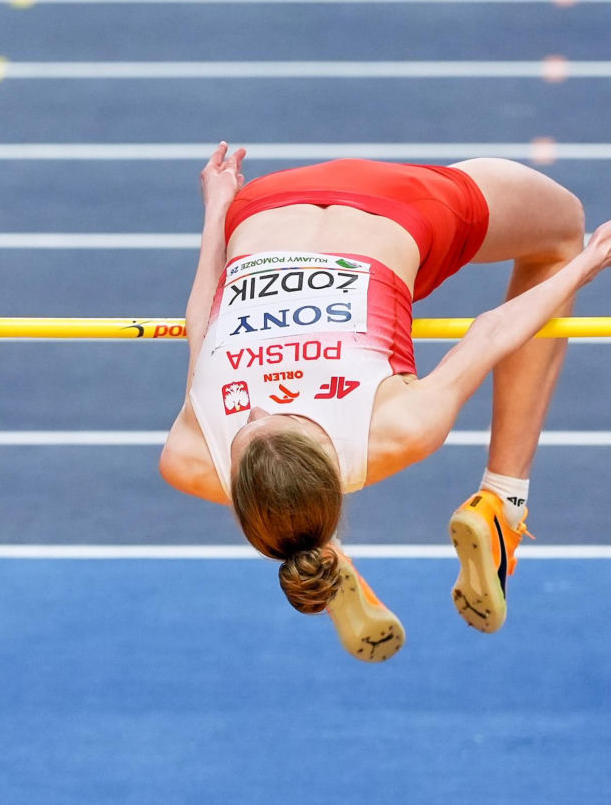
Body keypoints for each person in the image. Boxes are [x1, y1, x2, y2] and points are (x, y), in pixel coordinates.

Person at [160, 142, 611, 662]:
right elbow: (204, 314)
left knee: (563, 238)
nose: (256, 409)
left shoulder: (398, 429)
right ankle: (498, 502)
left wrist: (586, 261)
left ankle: (501, 505)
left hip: (402, 210)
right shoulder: (195, 448)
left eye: (245, 425)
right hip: (267, 207)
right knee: (561, 225)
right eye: (270, 417)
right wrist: (220, 208)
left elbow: (493, 332)